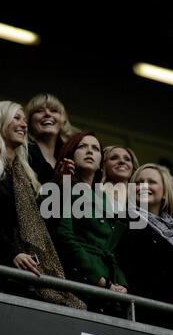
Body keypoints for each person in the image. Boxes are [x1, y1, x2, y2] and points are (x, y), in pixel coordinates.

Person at [0, 101, 86, 309]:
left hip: (27, 271)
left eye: (24, 120)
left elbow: (46, 219)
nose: (23, 125)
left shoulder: (25, 174)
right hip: (1, 269)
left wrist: (62, 184)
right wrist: (12, 253)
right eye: (16, 118)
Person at [50, 131, 128, 314]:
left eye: (95, 148)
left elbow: (112, 250)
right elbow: (64, 237)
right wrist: (100, 280)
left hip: (110, 290)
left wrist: (121, 283)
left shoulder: (105, 199)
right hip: (77, 284)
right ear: (70, 154)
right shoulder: (59, 187)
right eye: (82, 146)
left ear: (101, 160)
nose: (89, 151)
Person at [118, 163, 173, 324]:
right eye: (138, 182)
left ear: (164, 192)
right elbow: (134, 271)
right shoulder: (125, 221)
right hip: (145, 315)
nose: (144, 186)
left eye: (151, 182)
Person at [25, 93, 78, 184]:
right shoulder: (22, 153)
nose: (47, 114)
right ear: (29, 121)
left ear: (63, 120)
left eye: (54, 110)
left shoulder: (69, 159)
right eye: (39, 111)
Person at [101, 145, 139, 214]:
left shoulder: (140, 202)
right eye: (114, 158)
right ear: (103, 165)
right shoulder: (95, 196)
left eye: (127, 159)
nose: (122, 161)